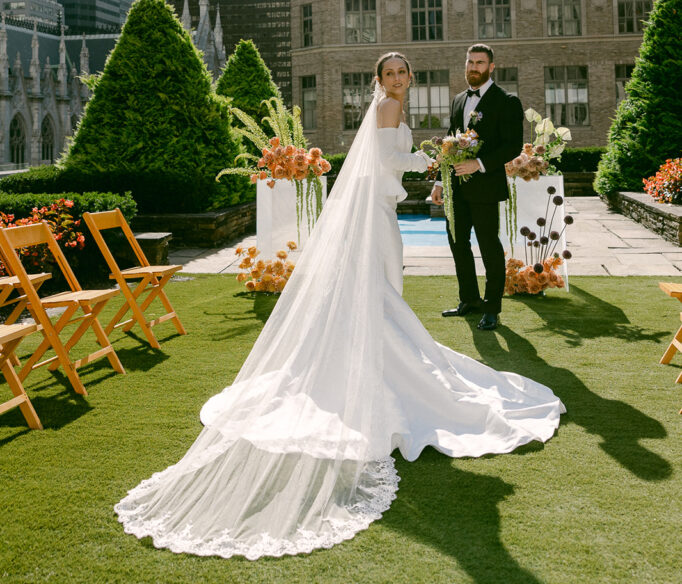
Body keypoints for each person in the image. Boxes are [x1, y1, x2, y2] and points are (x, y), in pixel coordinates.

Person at [115, 51, 563, 560]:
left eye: (402, 73)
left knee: (380, 293)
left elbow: (382, 161)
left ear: (410, 77)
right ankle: (381, 375)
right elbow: (390, 161)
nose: (397, 79)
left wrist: (435, 157)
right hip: (378, 212)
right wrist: (433, 159)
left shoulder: (388, 108)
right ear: (380, 81)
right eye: (389, 74)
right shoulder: (389, 110)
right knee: (382, 293)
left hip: (379, 208)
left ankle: (370, 367)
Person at [431, 44, 523, 331]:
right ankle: (469, 300)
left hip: (485, 188)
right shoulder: (459, 99)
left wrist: (479, 164)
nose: (473, 68)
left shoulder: (507, 101)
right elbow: (450, 140)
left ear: (491, 67)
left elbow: (512, 146)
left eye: (480, 63)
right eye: (470, 62)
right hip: (456, 189)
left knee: (489, 248)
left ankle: (492, 308)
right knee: (458, 245)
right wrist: (438, 181)